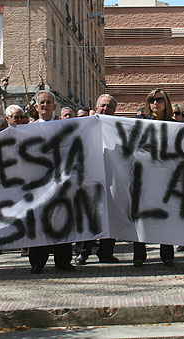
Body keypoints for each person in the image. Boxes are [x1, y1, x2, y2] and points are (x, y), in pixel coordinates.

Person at [28, 90, 75, 274]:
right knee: (39, 224)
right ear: (36, 107)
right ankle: (37, 262)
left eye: (48, 103)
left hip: (59, 184)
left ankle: (63, 261)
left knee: (61, 222)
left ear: (55, 107)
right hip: (37, 185)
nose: (45, 106)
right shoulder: (28, 130)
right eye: (42, 103)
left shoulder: (63, 128)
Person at [74, 94, 119, 265]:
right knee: (87, 216)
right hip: (88, 180)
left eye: (109, 106)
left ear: (114, 110)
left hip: (113, 179)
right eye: (103, 106)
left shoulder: (118, 127)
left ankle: (106, 252)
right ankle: (83, 252)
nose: (105, 109)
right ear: (96, 106)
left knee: (111, 218)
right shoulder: (85, 125)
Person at [132, 89, 176, 268]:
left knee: (166, 216)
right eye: (151, 100)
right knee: (141, 217)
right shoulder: (142, 123)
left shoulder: (175, 125)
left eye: (159, 100)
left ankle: (167, 255)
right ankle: (139, 255)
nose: (155, 103)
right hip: (144, 177)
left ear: (166, 102)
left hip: (166, 178)